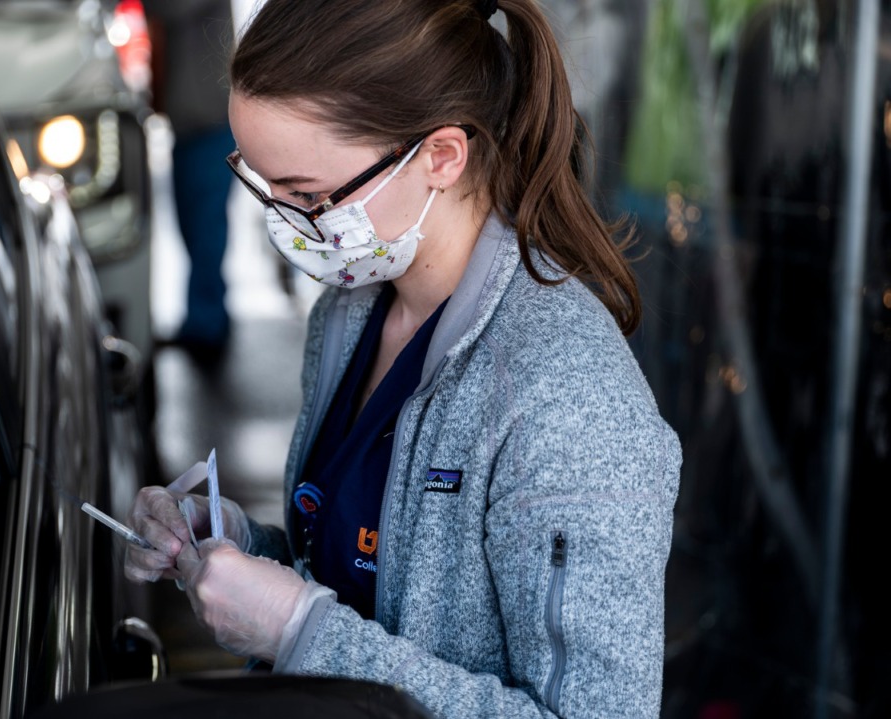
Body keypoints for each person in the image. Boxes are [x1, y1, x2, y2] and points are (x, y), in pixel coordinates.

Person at [124, 1, 683, 717]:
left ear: (442, 157)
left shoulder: (567, 396)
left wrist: (299, 630)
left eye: (309, 195)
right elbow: (360, 580)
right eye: (266, 190)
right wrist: (233, 546)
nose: (287, 225)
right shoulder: (351, 312)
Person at [143, 0, 235, 358]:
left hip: (209, 121)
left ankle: (207, 323)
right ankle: (205, 317)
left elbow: (167, 10)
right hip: (189, 122)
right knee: (192, 224)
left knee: (205, 226)